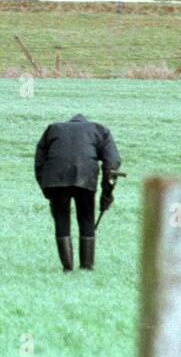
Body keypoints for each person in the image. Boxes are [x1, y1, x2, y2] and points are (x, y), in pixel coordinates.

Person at [34, 114, 121, 271]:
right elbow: (112, 164)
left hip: (56, 178)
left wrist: (46, 189)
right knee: (87, 219)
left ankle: (67, 268)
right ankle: (86, 267)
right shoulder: (99, 130)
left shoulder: (53, 129)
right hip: (85, 177)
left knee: (61, 220)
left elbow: (39, 162)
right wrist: (107, 194)